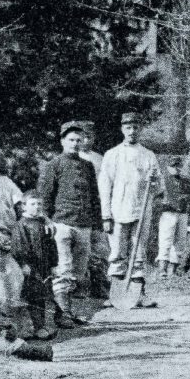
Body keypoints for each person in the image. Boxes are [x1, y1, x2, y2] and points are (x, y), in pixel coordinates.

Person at [37, 121, 101, 329]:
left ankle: (72, 312)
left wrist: (97, 224)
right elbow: (44, 197)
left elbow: (94, 197)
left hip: (83, 225)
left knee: (79, 272)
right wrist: (45, 222)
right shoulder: (53, 165)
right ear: (63, 141)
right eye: (71, 140)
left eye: (79, 140)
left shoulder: (87, 166)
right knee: (63, 269)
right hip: (61, 224)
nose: (75, 143)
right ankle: (62, 313)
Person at [98, 112, 166, 303]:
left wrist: (153, 182)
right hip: (118, 209)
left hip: (142, 210)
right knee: (117, 252)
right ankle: (116, 294)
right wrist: (106, 215)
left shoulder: (148, 155)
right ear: (122, 129)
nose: (132, 131)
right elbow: (104, 187)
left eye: (135, 127)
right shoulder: (112, 154)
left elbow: (159, 187)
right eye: (128, 127)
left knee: (139, 251)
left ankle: (138, 294)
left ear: (140, 129)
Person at [12, 192, 58, 339]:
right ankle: (28, 328)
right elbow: (19, 247)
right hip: (30, 268)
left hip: (43, 266)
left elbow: (51, 245)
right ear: (24, 206)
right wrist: (24, 263)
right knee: (31, 296)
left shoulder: (44, 224)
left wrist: (53, 264)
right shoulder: (22, 225)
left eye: (39, 204)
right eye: (33, 204)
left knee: (41, 297)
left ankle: (40, 327)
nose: (37, 207)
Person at [77, 120, 111, 301]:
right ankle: (79, 286)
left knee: (99, 248)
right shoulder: (69, 158)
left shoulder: (100, 159)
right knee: (80, 249)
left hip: (96, 208)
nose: (85, 140)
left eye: (89, 136)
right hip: (77, 210)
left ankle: (100, 285)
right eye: (81, 137)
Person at [156, 158, 190, 278]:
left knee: (180, 243)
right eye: (173, 166)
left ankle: (174, 270)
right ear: (168, 167)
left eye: (178, 166)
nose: (176, 168)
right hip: (168, 213)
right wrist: (163, 203)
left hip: (182, 213)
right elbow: (155, 197)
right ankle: (162, 270)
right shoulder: (163, 180)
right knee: (165, 241)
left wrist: (187, 199)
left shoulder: (186, 182)